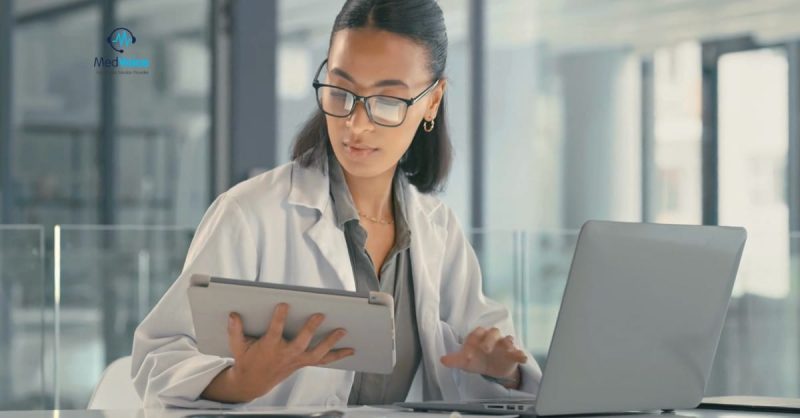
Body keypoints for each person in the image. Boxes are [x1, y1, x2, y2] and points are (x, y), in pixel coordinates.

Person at [131, 0, 542, 409]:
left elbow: (496, 376)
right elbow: (158, 360)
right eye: (341, 90)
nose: (356, 124)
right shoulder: (250, 215)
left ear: (432, 101)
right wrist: (239, 381)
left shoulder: (438, 230)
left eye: (387, 101)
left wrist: (503, 370)